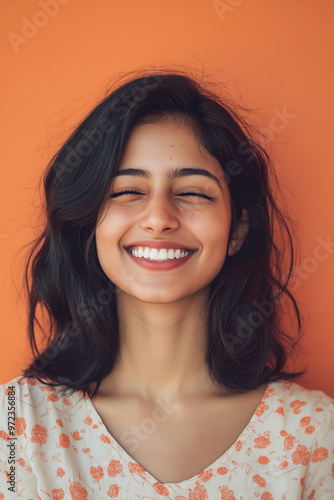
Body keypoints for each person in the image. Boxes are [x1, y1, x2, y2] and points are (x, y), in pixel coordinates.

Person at [0, 69, 333, 499]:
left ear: (237, 230)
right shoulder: (14, 425)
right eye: (126, 192)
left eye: (193, 192)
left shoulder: (315, 436)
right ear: (89, 226)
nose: (159, 218)